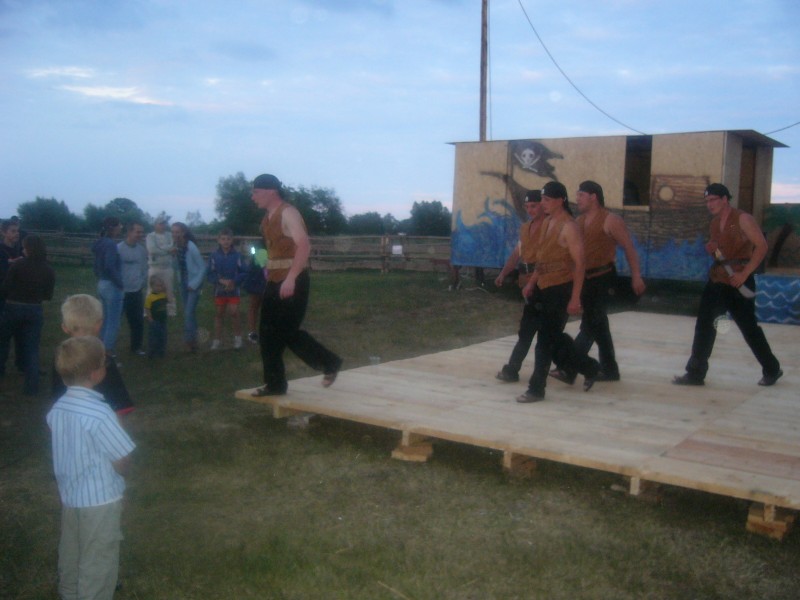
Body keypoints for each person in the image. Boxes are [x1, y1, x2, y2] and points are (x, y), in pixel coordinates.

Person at [47, 335, 136, 600]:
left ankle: (69, 592)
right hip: (100, 500)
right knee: (98, 557)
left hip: (71, 496)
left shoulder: (58, 408)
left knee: (72, 550)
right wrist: (124, 471)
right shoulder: (100, 413)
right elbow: (121, 457)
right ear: (96, 372)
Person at [673, 183, 782, 387]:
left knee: (748, 327)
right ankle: (695, 373)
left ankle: (772, 369)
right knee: (705, 325)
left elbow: (762, 246)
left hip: (739, 281)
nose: (709, 204)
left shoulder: (743, 218)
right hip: (718, 279)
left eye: (713, 200)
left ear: (725, 199)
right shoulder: (715, 223)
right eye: (707, 201)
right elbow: (721, 256)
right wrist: (713, 250)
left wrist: (745, 273)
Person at [250, 173, 342, 396]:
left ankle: (329, 362)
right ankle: (275, 385)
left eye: (256, 192)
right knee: (267, 334)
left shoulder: (288, 212)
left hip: (293, 280)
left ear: (271, 191)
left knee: (287, 331)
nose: (253, 197)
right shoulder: (267, 218)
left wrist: (291, 278)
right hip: (274, 280)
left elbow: (303, 245)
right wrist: (265, 264)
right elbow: (273, 249)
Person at [550, 180, 646, 385]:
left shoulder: (611, 220)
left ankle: (570, 367)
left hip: (603, 278)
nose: (577, 199)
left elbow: (629, 248)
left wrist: (636, 276)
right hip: (585, 279)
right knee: (599, 325)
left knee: (590, 324)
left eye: (581, 195)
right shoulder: (579, 221)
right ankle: (610, 370)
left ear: (593, 197)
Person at [516, 181, 593, 403]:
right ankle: (590, 367)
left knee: (544, 340)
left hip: (561, 288)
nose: (543, 203)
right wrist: (531, 283)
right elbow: (541, 260)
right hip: (543, 286)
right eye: (542, 199)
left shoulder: (569, 227)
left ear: (561, 200)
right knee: (555, 338)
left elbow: (580, 264)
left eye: (547, 199)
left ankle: (536, 388)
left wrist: (575, 297)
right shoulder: (547, 223)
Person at [51, 294, 135, 416]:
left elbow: (57, 395)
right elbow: (120, 406)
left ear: (65, 328)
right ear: (99, 324)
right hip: (101, 421)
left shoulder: (60, 357)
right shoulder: (103, 360)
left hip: (68, 419)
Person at [494, 190, 546, 382]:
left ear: (543, 205)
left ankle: (576, 366)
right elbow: (517, 253)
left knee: (545, 333)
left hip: (546, 281)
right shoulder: (525, 228)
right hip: (527, 281)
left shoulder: (550, 226)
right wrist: (503, 273)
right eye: (527, 207)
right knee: (527, 330)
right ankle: (512, 369)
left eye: (534, 206)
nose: (530, 210)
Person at [0, 235, 55, 395]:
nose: (23, 250)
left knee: (3, 342)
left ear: (29, 249)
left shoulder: (18, 265)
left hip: (13, 307)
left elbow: (5, 287)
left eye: (24, 247)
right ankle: (32, 386)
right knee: (31, 348)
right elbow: (48, 295)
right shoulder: (48, 269)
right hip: (34, 309)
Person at [207, 228, 247, 350]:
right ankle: (217, 340)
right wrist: (219, 280)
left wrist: (234, 281)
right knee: (219, 314)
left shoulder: (237, 255)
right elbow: (210, 273)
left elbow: (244, 271)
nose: (226, 241)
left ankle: (238, 339)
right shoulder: (214, 255)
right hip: (219, 290)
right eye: (223, 239)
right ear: (218, 240)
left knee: (234, 313)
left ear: (232, 240)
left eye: (228, 239)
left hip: (233, 289)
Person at [92, 217, 124, 357]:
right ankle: (107, 353)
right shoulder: (111, 244)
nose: (121, 227)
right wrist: (119, 283)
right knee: (113, 321)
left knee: (105, 319)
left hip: (102, 283)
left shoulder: (100, 242)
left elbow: (97, 265)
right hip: (111, 285)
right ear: (113, 228)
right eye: (119, 225)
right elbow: (109, 266)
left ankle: (100, 349)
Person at [171, 222, 205, 352]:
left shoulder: (191, 247)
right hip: (183, 281)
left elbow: (202, 268)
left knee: (188, 312)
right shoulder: (176, 246)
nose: (175, 234)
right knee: (189, 312)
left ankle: (189, 340)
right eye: (173, 232)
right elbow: (176, 267)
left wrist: (195, 284)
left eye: (177, 232)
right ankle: (194, 341)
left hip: (193, 282)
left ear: (183, 233)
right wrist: (173, 256)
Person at [118, 221, 148, 356]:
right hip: (120, 291)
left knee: (137, 321)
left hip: (136, 291)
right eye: (138, 232)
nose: (140, 234)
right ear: (129, 232)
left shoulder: (141, 250)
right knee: (115, 321)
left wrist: (141, 282)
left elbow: (144, 268)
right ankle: (108, 349)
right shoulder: (118, 249)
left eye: (142, 232)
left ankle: (136, 347)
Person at [146, 217, 176, 317]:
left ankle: (171, 311)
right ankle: (148, 311)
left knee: (169, 289)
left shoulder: (170, 235)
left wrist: (161, 249)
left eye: (164, 224)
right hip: (154, 267)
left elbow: (172, 246)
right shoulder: (150, 236)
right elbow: (152, 250)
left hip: (167, 267)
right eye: (160, 224)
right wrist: (167, 251)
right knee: (151, 289)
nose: (163, 226)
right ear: (155, 225)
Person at [243, 242, 268, 344]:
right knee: (254, 307)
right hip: (259, 281)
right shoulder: (261, 251)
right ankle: (252, 333)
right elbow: (266, 270)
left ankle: (264, 332)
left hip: (264, 281)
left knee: (262, 308)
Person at [144, 274, 168, 359]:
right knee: (153, 337)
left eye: (160, 286)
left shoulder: (163, 295)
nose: (159, 288)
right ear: (152, 286)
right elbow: (147, 308)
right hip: (154, 320)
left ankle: (161, 351)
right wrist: (149, 318)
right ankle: (151, 352)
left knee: (163, 336)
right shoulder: (150, 297)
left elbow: (168, 300)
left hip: (163, 320)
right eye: (157, 286)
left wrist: (165, 288)